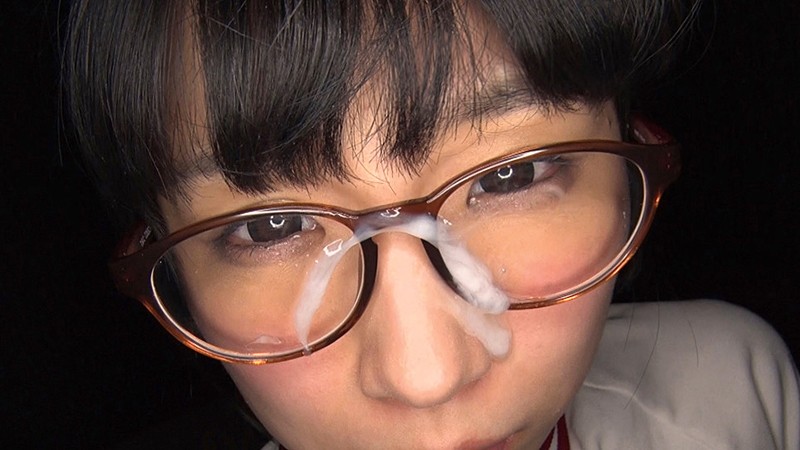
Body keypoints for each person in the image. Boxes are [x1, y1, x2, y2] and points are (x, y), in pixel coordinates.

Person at [63, 1, 799, 448]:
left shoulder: (735, 394)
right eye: (272, 228)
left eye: (508, 177)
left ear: (632, 150)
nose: (428, 378)